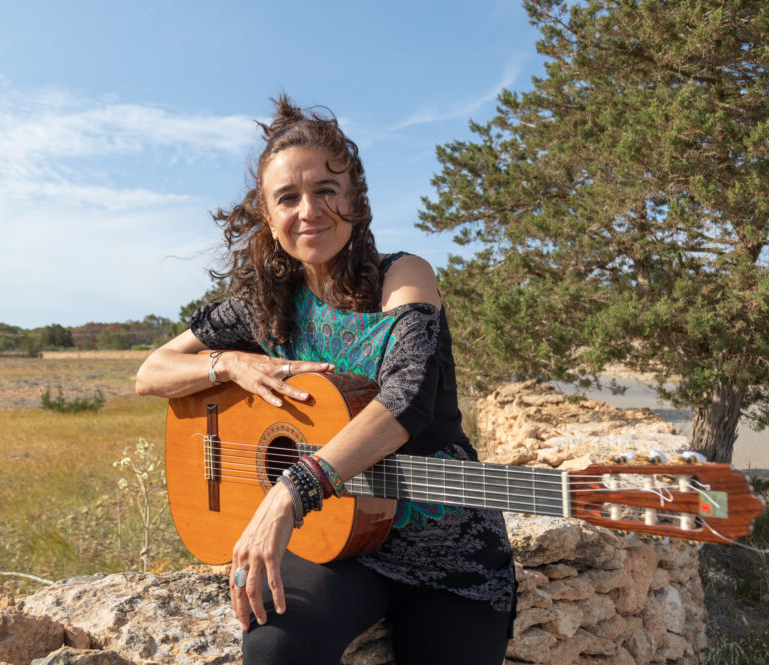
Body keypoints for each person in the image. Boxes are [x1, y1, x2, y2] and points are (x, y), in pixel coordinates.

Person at [135, 95, 516, 664]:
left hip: (449, 556)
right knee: (273, 650)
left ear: (355, 202)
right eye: (287, 197)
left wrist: (293, 489)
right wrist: (232, 363)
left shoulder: (404, 277)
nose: (308, 210)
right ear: (268, 215)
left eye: (326, 191)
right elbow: (151, 373)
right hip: (336, 549)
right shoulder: (263, 305)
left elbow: (406, 401)